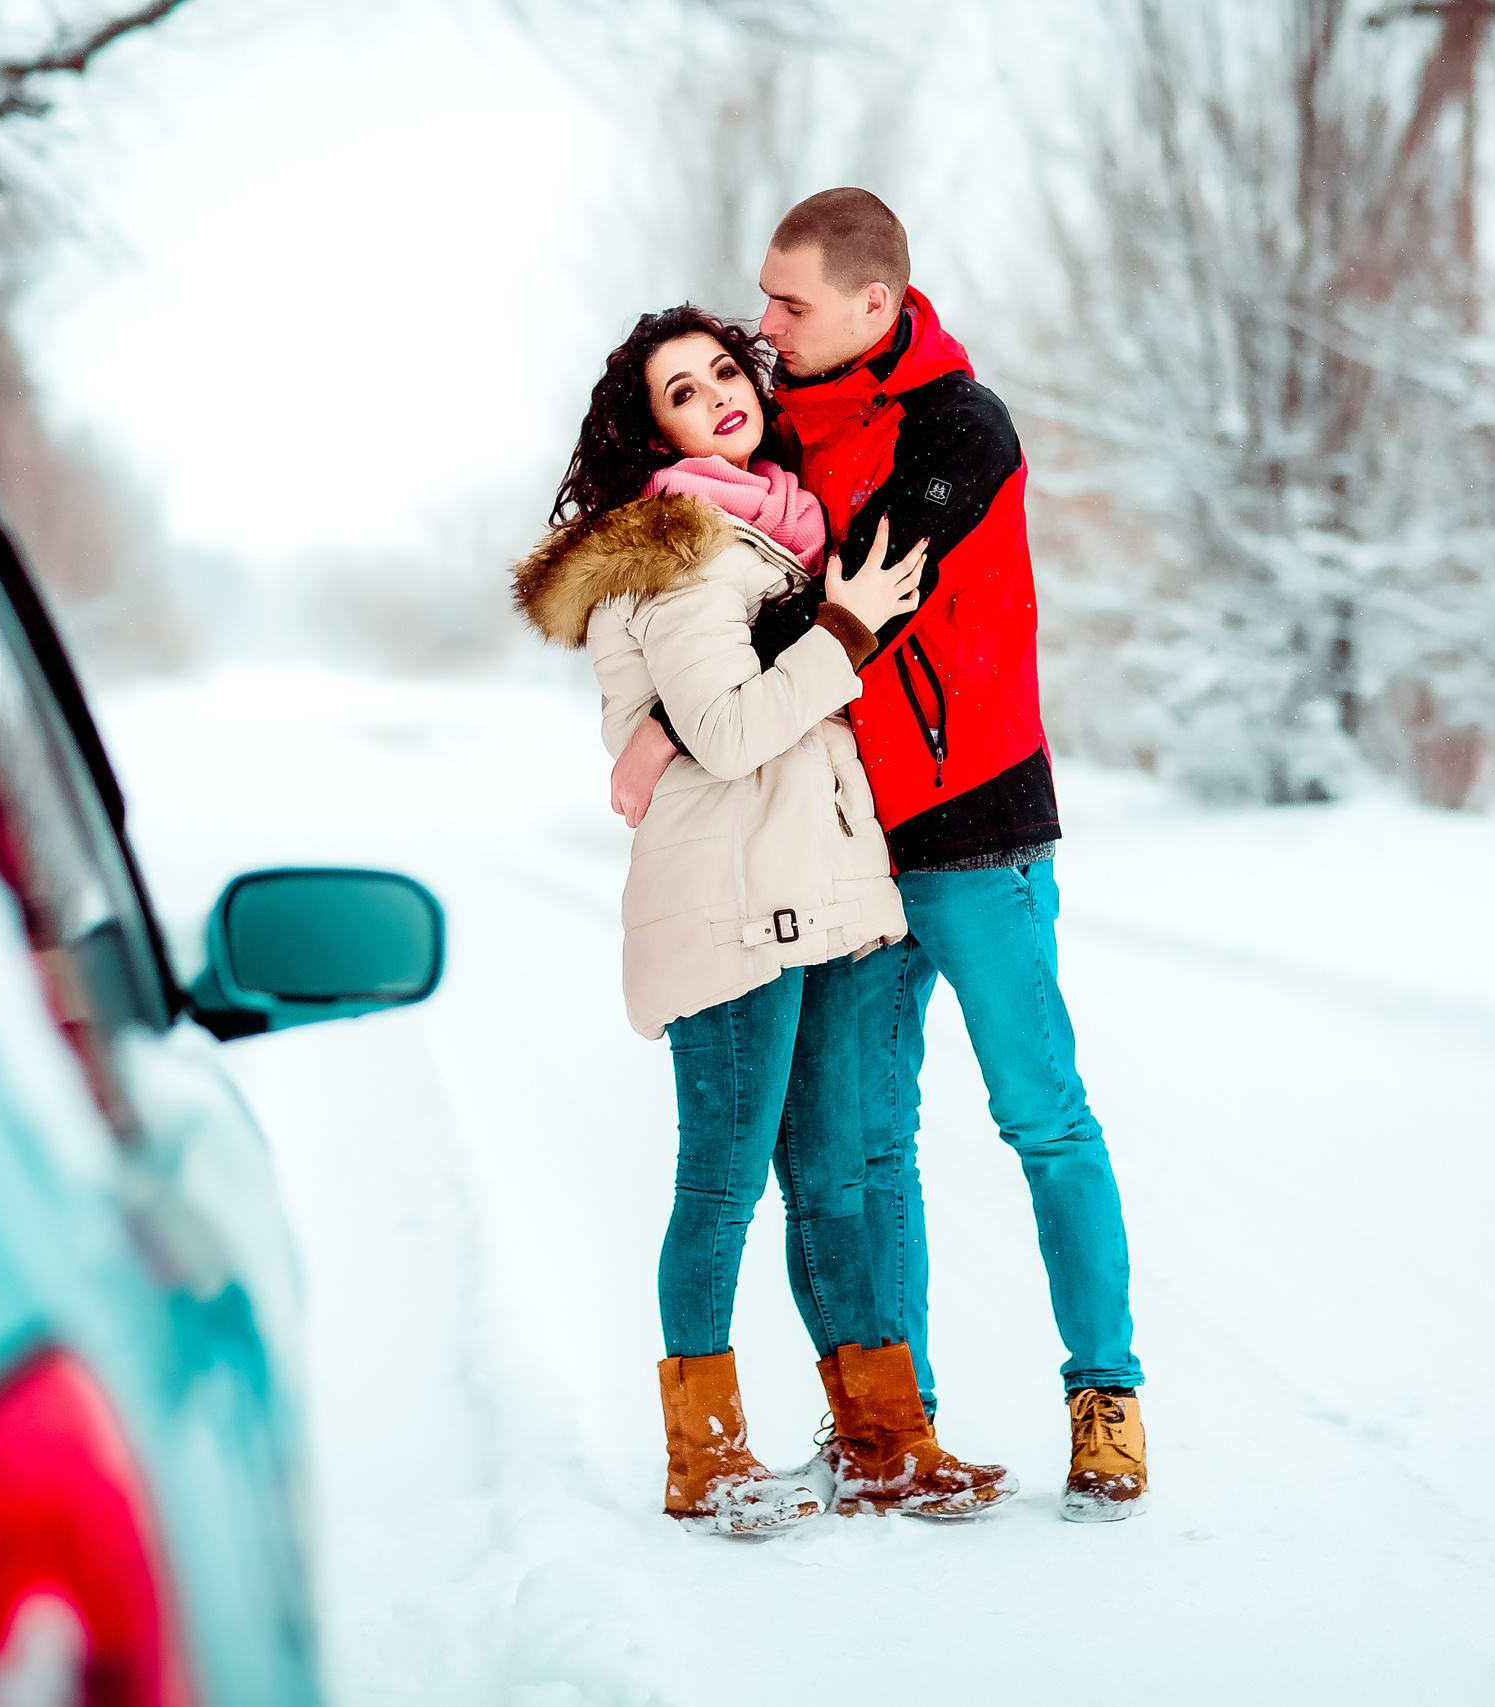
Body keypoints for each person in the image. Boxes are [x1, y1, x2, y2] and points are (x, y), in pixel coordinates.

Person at [610, 193, 1150, 1522]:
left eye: (786, 305)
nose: (765, 328)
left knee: (1042, 1114)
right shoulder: (783, 425)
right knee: (861, 1148)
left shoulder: (960, 424)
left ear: (875, 304)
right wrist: (650, 710)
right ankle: (891, 1433)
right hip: (847, 847)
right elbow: (720, 599)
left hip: (977, 827)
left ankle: (1108, 1396)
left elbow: (854, 585)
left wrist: (676, 723)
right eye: (762, 306)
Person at [515, 304, 1008, 1535]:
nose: (718, 397)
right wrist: (845, 624)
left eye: (726, 372)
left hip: (820, 894)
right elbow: (731, 730)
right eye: (683, 392)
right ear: (654, 430)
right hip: (732, 903)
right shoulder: (678, 548)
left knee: (833, 1176)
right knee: (724, 1185)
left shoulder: (773, 529)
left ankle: (884, 1444)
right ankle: (705, 1457)